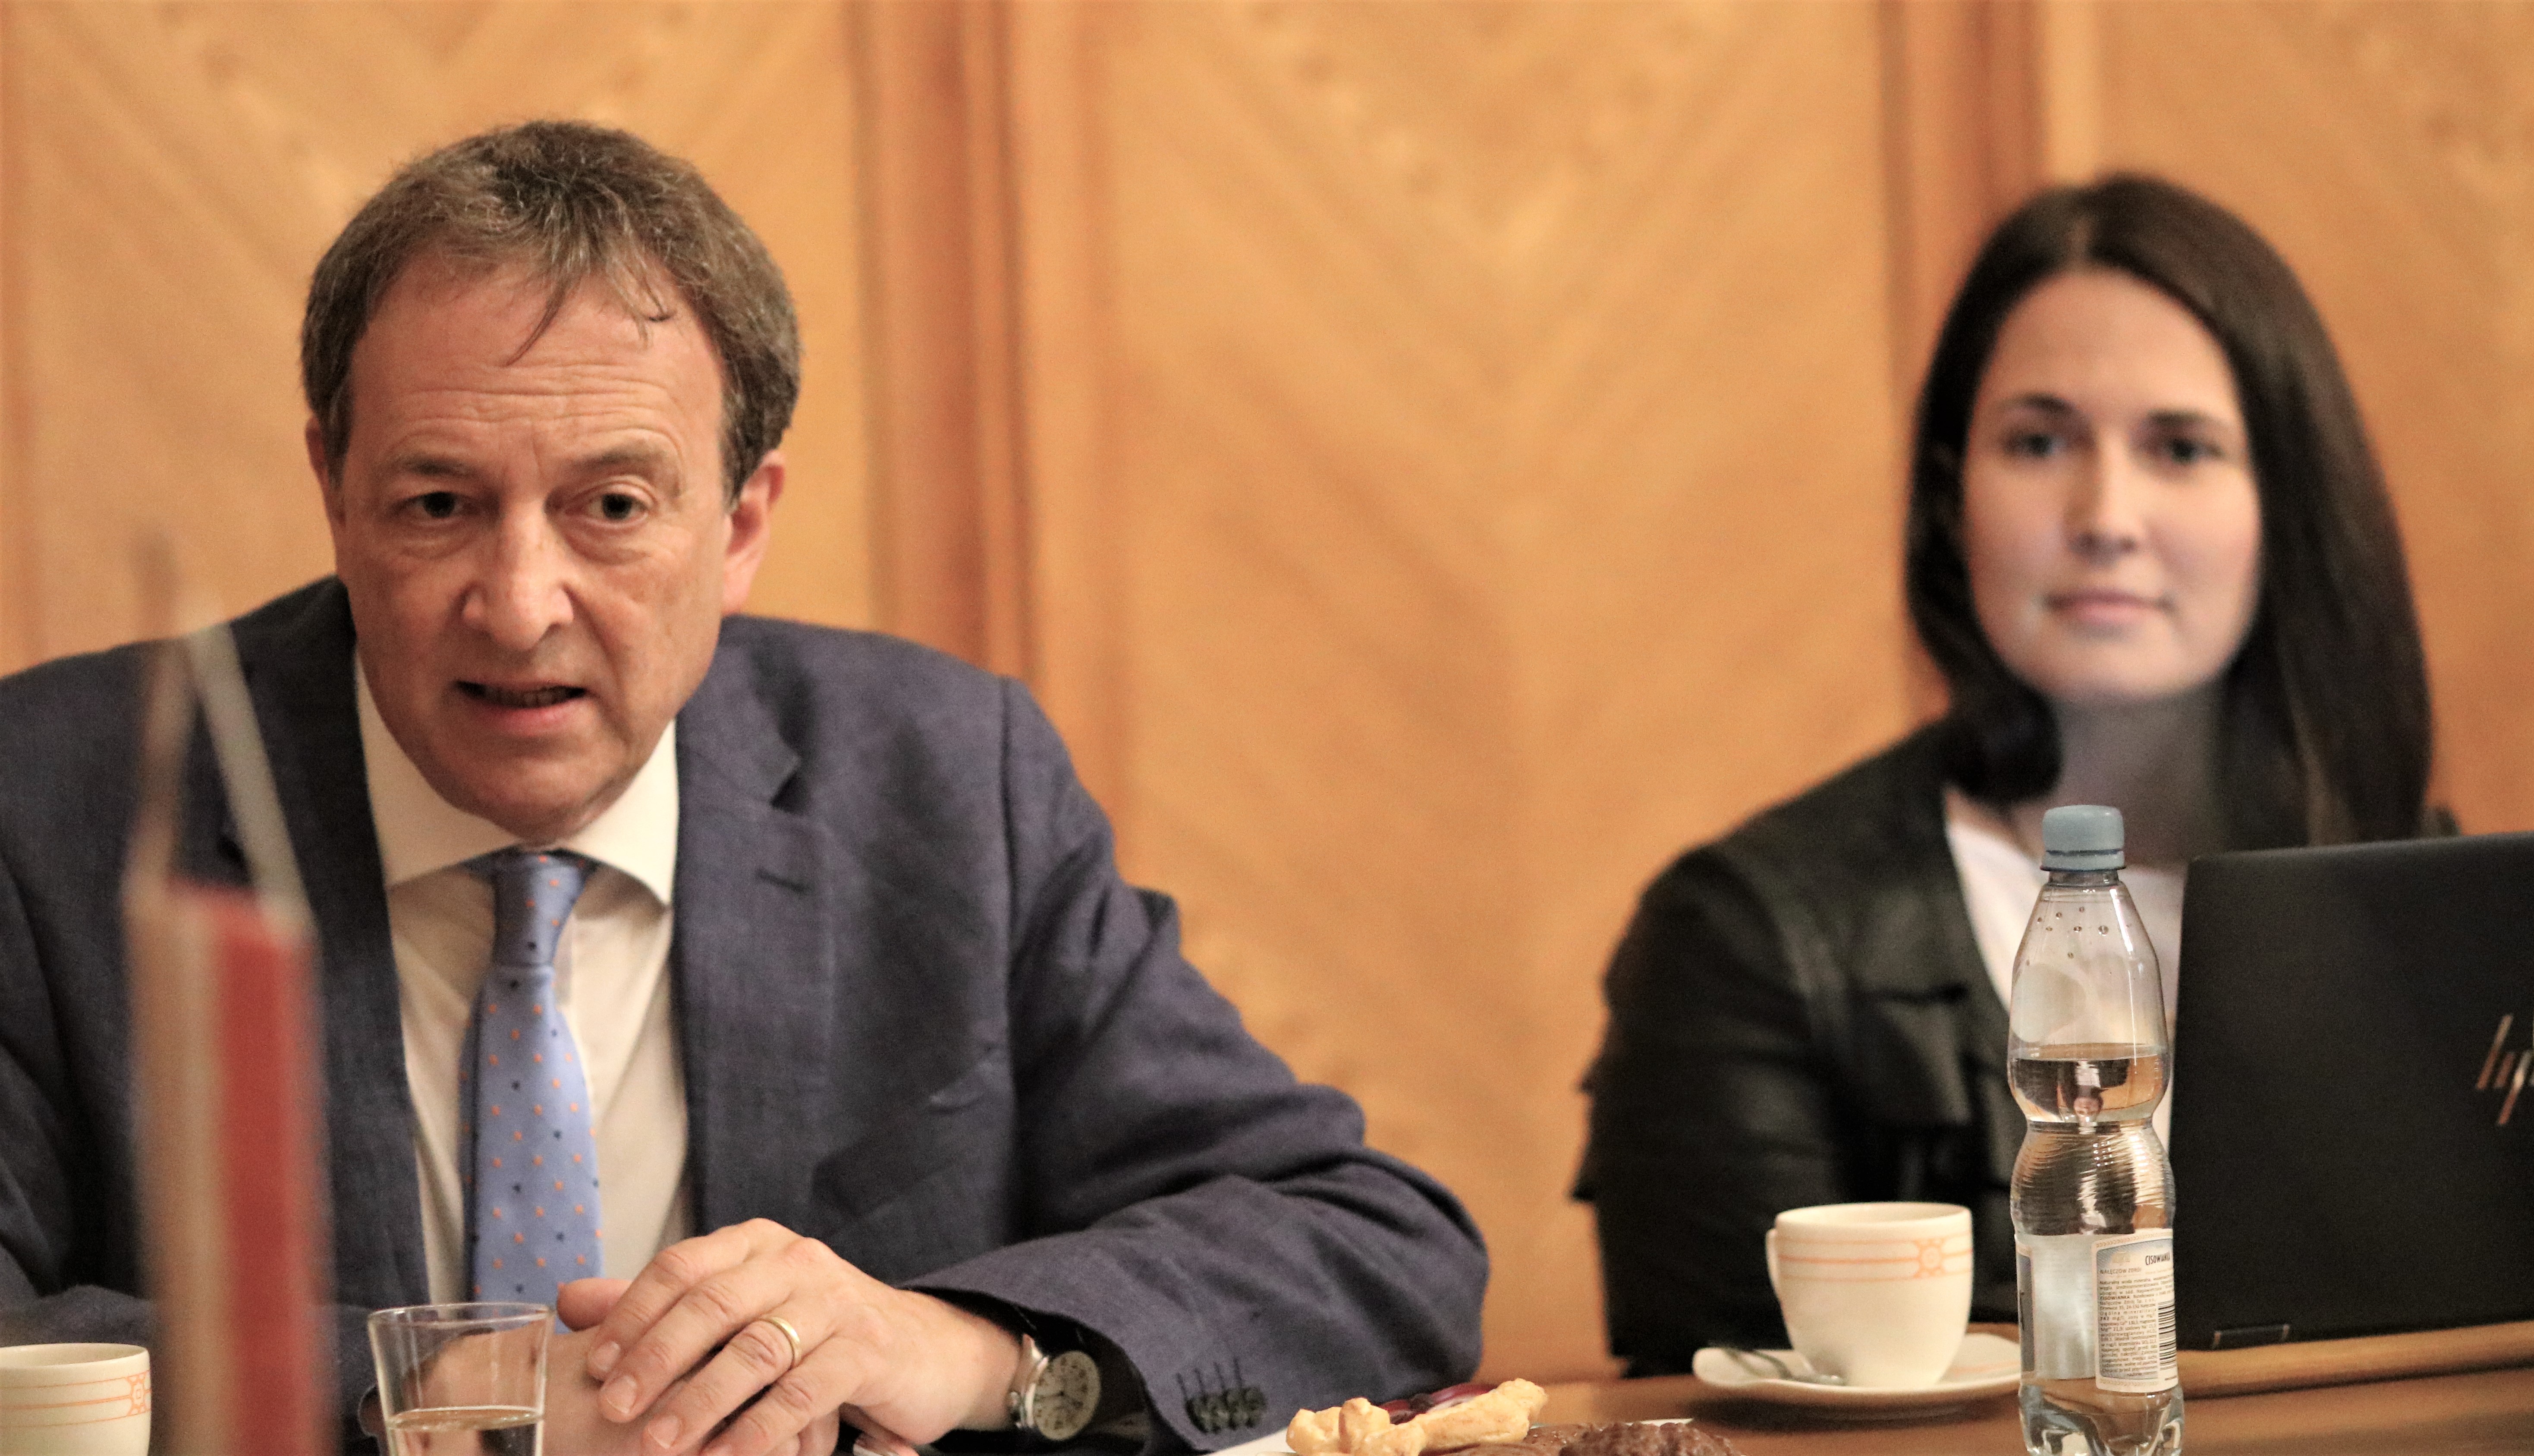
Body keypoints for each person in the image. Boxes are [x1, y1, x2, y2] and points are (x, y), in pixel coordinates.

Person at [0, 121, 1485, 1454]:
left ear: (743, 522)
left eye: (612, 506)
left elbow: (1369, 1246)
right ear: (336, 492)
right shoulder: (58, 800)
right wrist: (463, 1393)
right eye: (439, 504)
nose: (519, 605)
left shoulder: (942, 781)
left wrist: (965, 1347)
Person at [1576, 174, 2434, 1375]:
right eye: (2039, 442)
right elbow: (1714, 1414)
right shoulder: (1746, 938)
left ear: (2288, 509)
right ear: (1950, 502)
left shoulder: (2429, 903)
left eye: (2181, 449)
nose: (2106, 515)